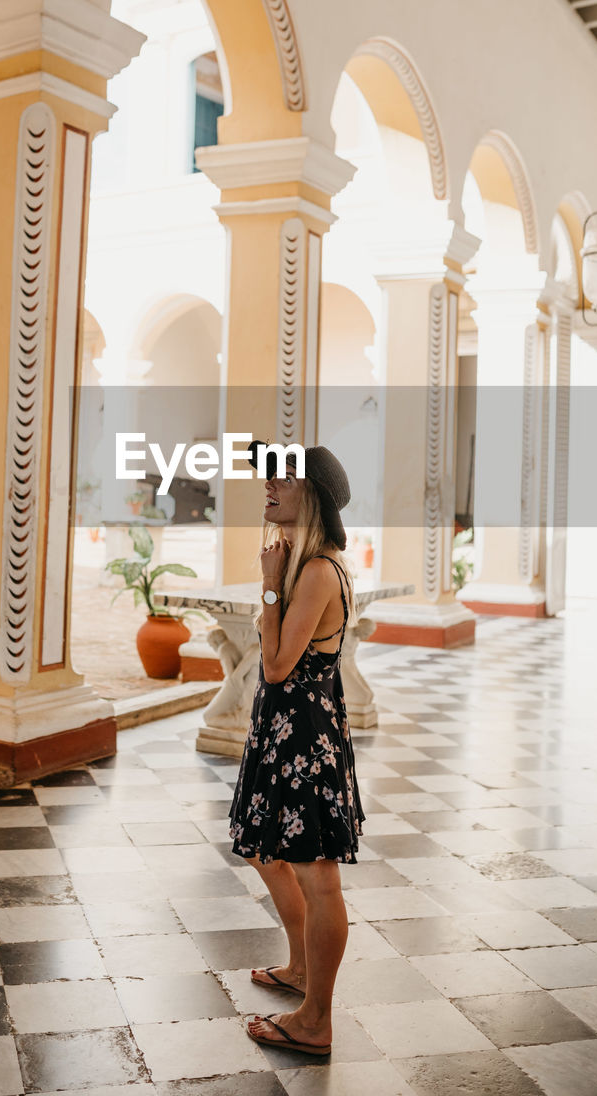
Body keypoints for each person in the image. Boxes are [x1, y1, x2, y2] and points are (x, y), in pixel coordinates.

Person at [228, 439, 364, 1059]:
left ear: (311, 494)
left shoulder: (313, 571)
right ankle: (301, 967)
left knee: (317, 876)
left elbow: (281, 665)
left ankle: (316, 1019)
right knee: (267, 853)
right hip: (288, 735)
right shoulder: (310, 565)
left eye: (282, 480)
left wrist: (268, 588)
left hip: (304, 740)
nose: (269, 487)